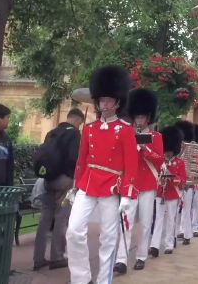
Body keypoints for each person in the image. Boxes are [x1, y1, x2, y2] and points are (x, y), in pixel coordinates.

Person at [66, 66, 138, 284]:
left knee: (108, 237)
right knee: (74, 230)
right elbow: (81, 160)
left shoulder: (126, 130)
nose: (105, 105)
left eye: (109, 100)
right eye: (102, 100)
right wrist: (75, 186)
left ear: (117, 102)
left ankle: (103, 280)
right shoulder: (89, 129)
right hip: (88, 183)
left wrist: (127, 195)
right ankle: (81, 278)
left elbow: (131, 166)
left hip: (111, 187)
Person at [115, 88, 164, 273]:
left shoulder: (156, 137)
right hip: (132, 183)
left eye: (143, 117)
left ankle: (141, 255)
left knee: (144, 222)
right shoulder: (127, 134)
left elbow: (159, 160)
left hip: (148, 184)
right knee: (126, 220)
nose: (139, 120)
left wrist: (145, 149)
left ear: (148, 118)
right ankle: (121, 259)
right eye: (137, 117)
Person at [32, 108, 84, 271]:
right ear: (76, 121)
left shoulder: (51, 132)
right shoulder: (74, 134)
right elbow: (73, 157)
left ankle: (38, 258)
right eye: (80, 123)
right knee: (62, 217)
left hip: (47, 179)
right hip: (64, 180)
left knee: (45, 218)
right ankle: (57, 257)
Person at [149, 126, 186, 256]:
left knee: (171, 219)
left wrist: (171, 177)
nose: (167, 153)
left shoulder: (180, 163)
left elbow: (182, 181)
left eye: (169, 151)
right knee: (158, 219)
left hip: (173, 194)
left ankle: (169, 244)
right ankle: (154, 245)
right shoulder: (161, 162)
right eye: (166, 151)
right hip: (160, 193)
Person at [175, 120, 198, 245]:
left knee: (187, 208)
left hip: (187, 183)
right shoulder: (177, 147)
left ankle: (187, 234)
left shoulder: (192, 148)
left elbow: (194, 166)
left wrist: (189, 181)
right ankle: (180, 230)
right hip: (176, 183)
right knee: (176, 210)